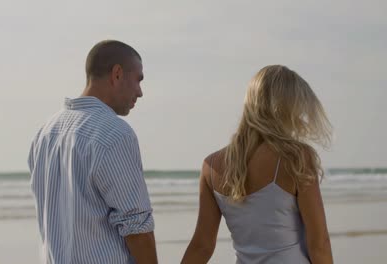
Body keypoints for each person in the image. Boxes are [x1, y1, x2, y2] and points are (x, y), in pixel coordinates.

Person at [182, 65, 333, 263]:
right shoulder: (296, 157)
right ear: (287, 107)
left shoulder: (211, 166)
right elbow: (319, 243)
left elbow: (202, 246)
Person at [27, 40, 158, 264]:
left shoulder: (45, 133)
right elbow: (137, 228)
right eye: (138, 80)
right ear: (117, 74)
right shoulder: (114, 133)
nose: (140, 92)